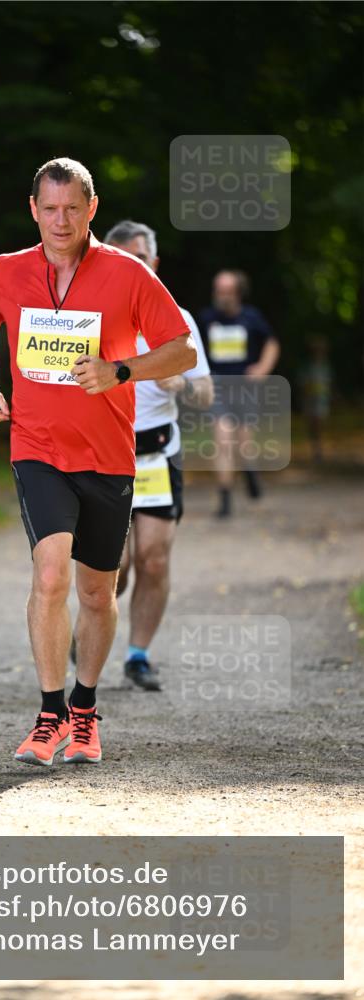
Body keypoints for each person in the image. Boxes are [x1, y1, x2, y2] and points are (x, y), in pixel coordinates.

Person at [0, 157, 196, 766]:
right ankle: (49, 714)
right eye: (50, 209)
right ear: (33, 209)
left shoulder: (128, 273)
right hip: (37, 448)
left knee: (97, 591)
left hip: (109, 455)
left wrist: (121, 370)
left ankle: (85, 708)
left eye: (72, 209)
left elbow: (181, 350)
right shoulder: (6, 270)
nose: (61, 221)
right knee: (49, 576)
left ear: (92, 209)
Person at [104, 221, 213, 691]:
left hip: (156, 454)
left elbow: (205, 393)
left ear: (155, 263)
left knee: (153, 559)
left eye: (140, 259)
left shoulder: (177, 318)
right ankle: (90, 627)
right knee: (116, 569)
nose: (133, 267)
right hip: (106, 453)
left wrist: (180, 383)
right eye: (122, 259)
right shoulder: (93, 314)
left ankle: (138, 656)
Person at [198, 270, 280, 518]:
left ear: (238, 293)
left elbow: (272, 343)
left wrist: (262, 368)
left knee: (245, 443)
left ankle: (249, 470)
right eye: (218, 290)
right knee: (223, 442)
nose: (222, 296)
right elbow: (192, 349)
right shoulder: (206, 318)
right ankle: (225, 498)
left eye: (227, 291)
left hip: (245, 387)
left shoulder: (251, 317)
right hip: (218, 387)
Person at [299, 336, 332, 463]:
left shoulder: (325, 367)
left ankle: (318, 448)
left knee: (319, 424)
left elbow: (328, 383)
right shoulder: (307, 367)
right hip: (310, 400)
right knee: (313, 425)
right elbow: (303, 384)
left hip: (322, 400)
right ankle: (316, 448)